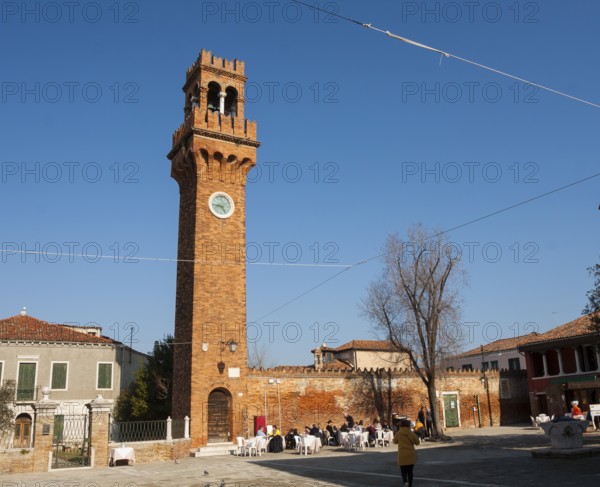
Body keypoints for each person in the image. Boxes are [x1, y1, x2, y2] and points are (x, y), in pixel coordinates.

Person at [393, 418, 420, 487]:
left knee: (403, 471)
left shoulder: (398, 433)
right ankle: (410, 484)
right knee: (410, 472)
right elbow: (417, 442)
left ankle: (405, 482)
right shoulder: (411, 433)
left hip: (402, 455)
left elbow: (394, 441)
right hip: (410, 455)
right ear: (408, 425)